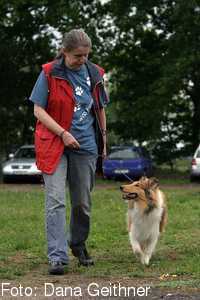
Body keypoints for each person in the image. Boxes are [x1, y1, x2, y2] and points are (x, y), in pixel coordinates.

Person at [29, 28, 108, 275]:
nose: (82, 60)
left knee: (82, 203)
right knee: (55, 201)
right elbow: (38, 111)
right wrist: (63, 132)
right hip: (54, 143)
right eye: (77, 56)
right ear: (64, 52)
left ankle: (78, 244)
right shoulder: (50, 72)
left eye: (86, 55)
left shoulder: (94, 73)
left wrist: (104, 140)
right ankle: (57, 257)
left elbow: (100, 108)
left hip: (85, 146)